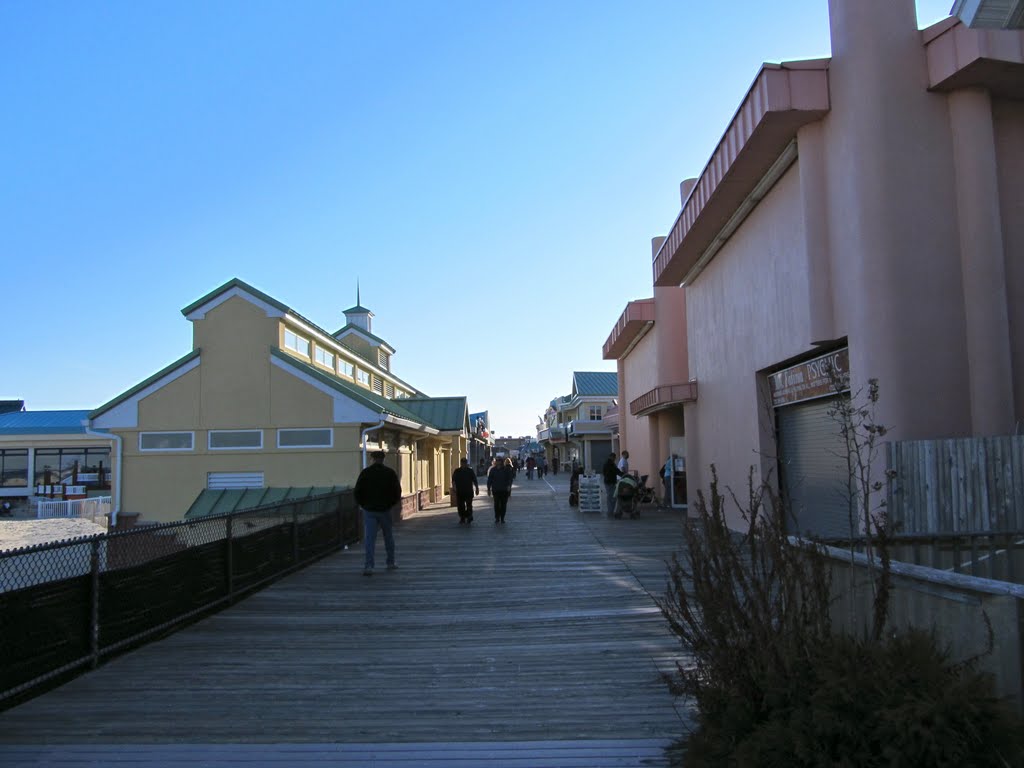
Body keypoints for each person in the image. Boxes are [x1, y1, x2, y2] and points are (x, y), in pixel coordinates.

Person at [354, 450, 402, 576]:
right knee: (388, 537)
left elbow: (358, 491)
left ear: (372, 459)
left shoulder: (366, 473)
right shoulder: (390, 473)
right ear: (383, 459)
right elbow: (397, 491)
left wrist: (363, 505)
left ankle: (369, 566)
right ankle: (390, 562)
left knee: (370, 539)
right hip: (385, 510)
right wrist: (390, 504)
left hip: (369, 510)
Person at [452, 457, 479, 525]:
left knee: (469, 505)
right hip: (460, 491)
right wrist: (454, 487)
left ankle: (469, 516)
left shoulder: (470, 471)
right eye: (462, 463)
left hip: (468, 491)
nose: (463, 464)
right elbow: (453, 480)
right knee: (461, 506)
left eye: (465, 463)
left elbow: (474, 480)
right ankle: (462, 518)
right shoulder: (457, 471)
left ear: (466, 463)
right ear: (461, 463)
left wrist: (477, 488)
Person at [487, 456, 515, 523]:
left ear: (502, 462)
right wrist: (488, 488)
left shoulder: (506, 469)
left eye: (499, 461)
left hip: (504, 490)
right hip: (495, 490)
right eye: (497, 461)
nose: (498, 462)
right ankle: (497, 517)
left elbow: (510, 478)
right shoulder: (493, 470)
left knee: (503, 505)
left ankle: (502, 518)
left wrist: (509, 486)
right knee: (496, 504)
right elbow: (489, 479)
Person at [602, 453, 620, 517]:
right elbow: (616, 471)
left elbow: (604, 472)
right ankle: (610, 511)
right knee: (611, 497)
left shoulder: (607, 463)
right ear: (612, 457)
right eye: (614, 458)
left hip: (608, 482)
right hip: (610, 482)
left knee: (611, 496)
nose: (615, 459)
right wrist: (623, 475)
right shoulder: (611, 464)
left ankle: (610, 511)